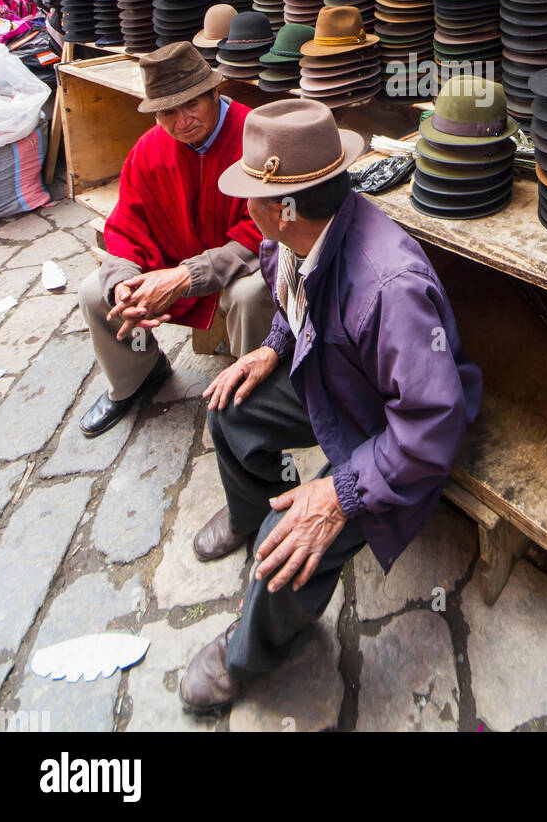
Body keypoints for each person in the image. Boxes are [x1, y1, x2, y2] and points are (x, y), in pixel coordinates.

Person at [178, 99, 482, 712]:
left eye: (252, 196)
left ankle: (249, 653)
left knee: (281, 546)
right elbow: (303, 306)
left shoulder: (387, 288)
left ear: (282, 208)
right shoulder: (302, 235)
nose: (244, 206)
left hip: (394, 432)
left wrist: (342, 492)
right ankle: (246, 508)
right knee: (231, 409)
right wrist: (270, 348)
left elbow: (433, 423)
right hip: (338, 376)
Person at [77, 42, 274, 437]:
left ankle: (261, 398)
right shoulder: (149, 149)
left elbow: (263, 230)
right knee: (95, 292)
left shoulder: (256, 136)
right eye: (167, 112)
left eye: (192, 106)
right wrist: (123, 283)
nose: (182, 122)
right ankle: (139, 375)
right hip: (174, 257)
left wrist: (186, 277)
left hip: (237, 266)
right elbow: (127, 221)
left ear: (215, 93)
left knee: (252, 294)